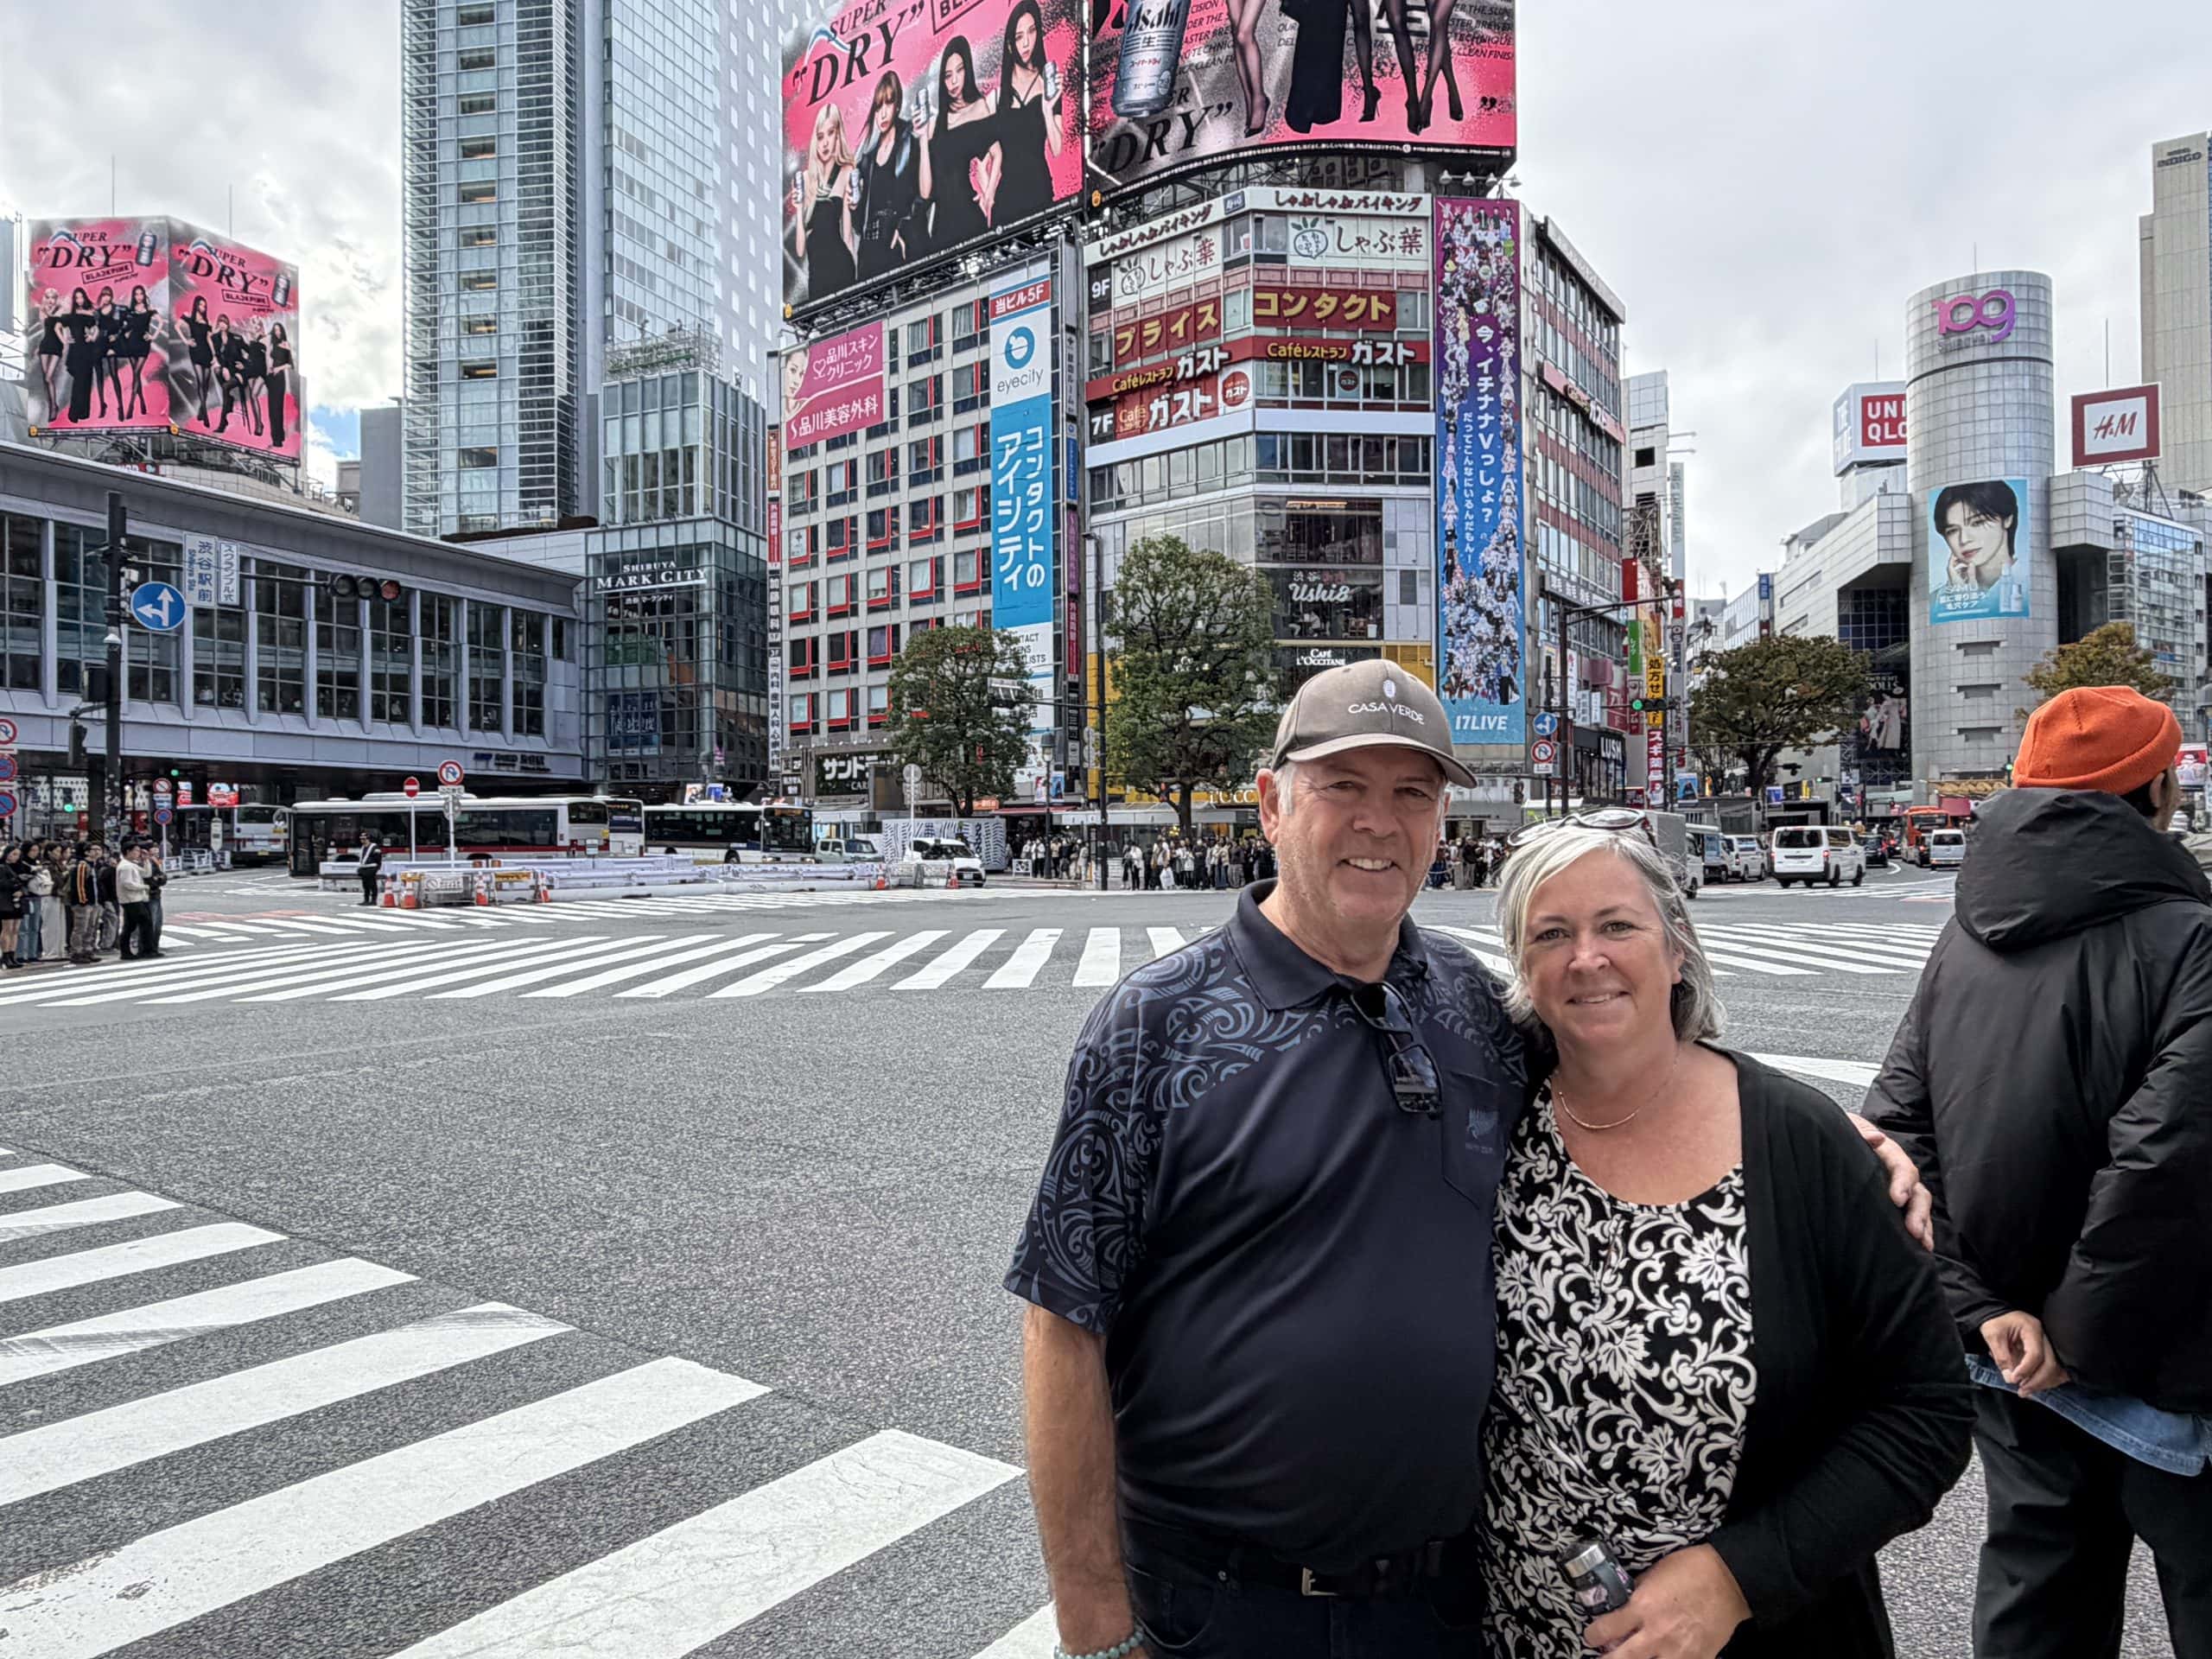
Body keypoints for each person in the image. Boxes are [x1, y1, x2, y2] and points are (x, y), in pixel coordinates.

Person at [1007, 661, 1938, 1659]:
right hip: (1220, 1601)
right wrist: (1094, 1627)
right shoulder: (1154, 1025)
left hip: (1445, 1601)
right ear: (1271, 805)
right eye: (1343, 786)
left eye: (1412, 793)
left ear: (1441, 820)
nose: (1379, 821)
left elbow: (1622, 1051)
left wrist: (1813, 1133)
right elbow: (1064, 1322)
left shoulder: (1468, 1004)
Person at [1487, 814, 1972, 1656]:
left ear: (1676, 947)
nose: (1587, 958)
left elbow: (1924, 1411)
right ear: (1522, 968)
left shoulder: (1799, 1144)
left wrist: (1740, 1576)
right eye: (1551, 933)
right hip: (1519, 1629)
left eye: (1617, 926)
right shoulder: (1488, 1122)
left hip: (1762, 1632)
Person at [1866, 684, 2212, 1659]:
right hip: (2167, 1355)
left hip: (2011, 1354)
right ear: (2156, 790)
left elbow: (1896, 1137)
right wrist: (2076, 1334)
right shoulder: (2191, 939)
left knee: (2037, 1599)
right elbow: (2167, 1161)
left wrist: (1983, 1311)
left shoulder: (1966, 935)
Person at [918, 37, 999, 252]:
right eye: (947, 75)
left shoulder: (978, 107)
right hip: (941, 226)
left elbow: (997, 153)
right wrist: (923, 139)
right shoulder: (935, 124)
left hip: (969, 216)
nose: (954, 81)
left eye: (959, 71)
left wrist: (988, 194)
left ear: (967, 71)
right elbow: (925, 193)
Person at [989, 0, 1062, 226]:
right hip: (1006, 202)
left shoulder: (1047, 83)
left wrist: (1047, 109)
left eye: (1032, 31)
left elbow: (1057, 149)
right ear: (1010, 44)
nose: (1027, 42)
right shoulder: (996, 97)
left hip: (1039, 191)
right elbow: (988, 154)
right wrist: (987, 192)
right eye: (1019, 36)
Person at [853, 72, 922, 281]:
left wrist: (904, 228)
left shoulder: (910, 143)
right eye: (878, 107)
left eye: (888, 104)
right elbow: (859, 224)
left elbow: (923, 195)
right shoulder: (866, 161)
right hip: (870, 251)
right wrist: (854, 207)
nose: (882, 114)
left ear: (897, 105)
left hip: (898, 243)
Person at [795, 101, 858, 302]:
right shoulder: (806, 178)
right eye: (820, 136)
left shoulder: (847, 171)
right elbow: (800, 250)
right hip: (816, 275)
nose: (825, 143)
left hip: (841, 268)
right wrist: (798, 209)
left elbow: (847, 237)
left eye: (830, 133)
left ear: (838, 135)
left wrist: (858, 287)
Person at [65, 843, 101, 963]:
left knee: (91, 927)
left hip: (93, 902)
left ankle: (87, 950)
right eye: (94, 850)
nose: (97, 852)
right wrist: (83, 900)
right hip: (83, 903)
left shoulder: (93, 865)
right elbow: (79, 884)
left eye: (99, 850)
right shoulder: (83, 865)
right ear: (87, 852)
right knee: (80, 928)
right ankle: (77, 951)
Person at [117, 847, 155, 960]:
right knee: (145, 923)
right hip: (131, 899)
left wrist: (146, 860)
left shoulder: (131, 864)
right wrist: (144, 887)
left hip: (133, 899)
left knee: (130, 926)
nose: (138, 853)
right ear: (128, 851)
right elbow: (127, 883)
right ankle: (147, 950)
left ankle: (127, 952)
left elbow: (146, 873)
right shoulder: (126, 866)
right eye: (136, 851)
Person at [264, 321, 294, 449]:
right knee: (272, 409)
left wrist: (278, 368)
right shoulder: (272, 344)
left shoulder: (286, 344)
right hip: (271, 377)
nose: (277, 332)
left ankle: (277, 441)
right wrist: (270, 369)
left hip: (280, 377)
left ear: (282, 331)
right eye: (275, 330)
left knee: (277, 408)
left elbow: (290, 364)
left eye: (279, 330)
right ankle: (277, 437)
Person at [0, 844, 24, 969]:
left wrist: (21, 890)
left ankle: (12, 955)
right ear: (7, 854)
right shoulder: (2, 867)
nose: (16, 857)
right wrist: (14, 885)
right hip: (5, 901)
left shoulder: (17, 867)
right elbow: (2, 883)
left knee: (15, 930)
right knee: (7, 929)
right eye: (14, 854)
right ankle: (5, 955)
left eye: (18, 855)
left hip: (16, 901)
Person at [356, 835, 385, 906]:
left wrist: (377, 867)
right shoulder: (363, 847)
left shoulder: (374, 847)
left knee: (372, 884)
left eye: (364, 839)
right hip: (364, 868)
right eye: (361, 839)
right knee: (365, 885)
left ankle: (373, 901)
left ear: (368, 839)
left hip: (372, 868)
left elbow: (378, 858)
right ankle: (366, 900)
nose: (362, 840)